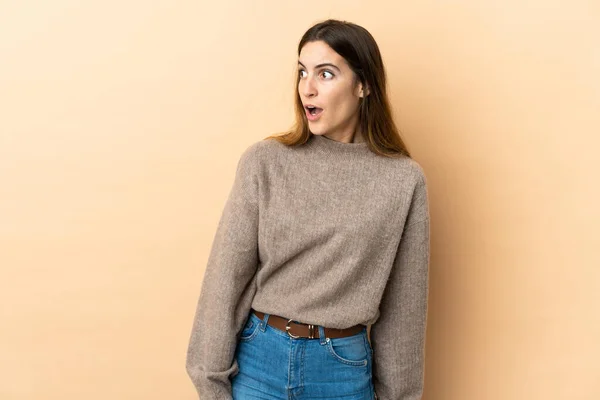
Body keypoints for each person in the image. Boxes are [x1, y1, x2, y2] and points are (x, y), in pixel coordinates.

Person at [186, 18, 430, 400]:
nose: (308, 89)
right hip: (258, 362)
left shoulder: (403, 180)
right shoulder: (265, 162)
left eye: (326, 74)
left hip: (342, 372)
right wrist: (210, 382)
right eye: (302, 73)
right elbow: (225, 279)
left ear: (363, 85)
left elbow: (404, 310)